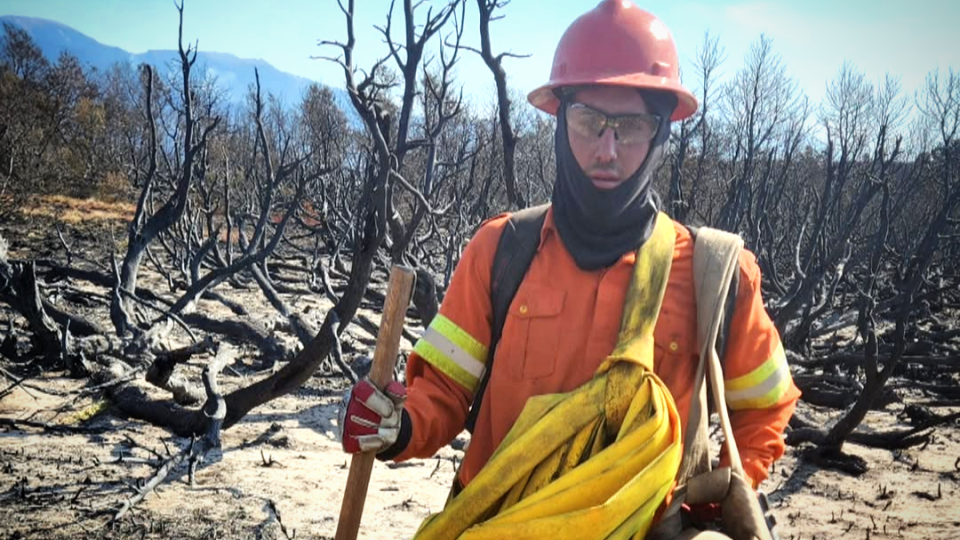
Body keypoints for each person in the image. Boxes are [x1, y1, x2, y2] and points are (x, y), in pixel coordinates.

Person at [339, 0, 799, 524]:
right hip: (496, 526)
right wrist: (397, 426)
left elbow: (763, 408)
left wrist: (722, 497)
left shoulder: (718, 275)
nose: (607, 148)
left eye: (630, 126)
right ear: (560, 122)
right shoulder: (501, 250)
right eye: (589, 121)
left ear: (660, 133)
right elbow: (441, 393)